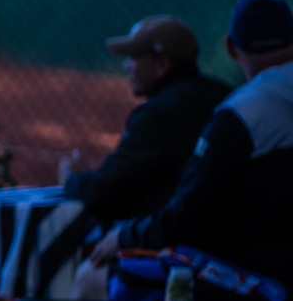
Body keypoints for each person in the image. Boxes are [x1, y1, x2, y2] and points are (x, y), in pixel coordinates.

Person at [54, 0, 293, 301]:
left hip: (258, 299)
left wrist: (123, 236)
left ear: (231, 47)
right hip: (273, 283)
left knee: (88, 279)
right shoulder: (228, 100)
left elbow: (183, 220)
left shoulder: (244, 113)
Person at [56, 15, 230, 222]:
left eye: (133, 57)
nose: (126, 66)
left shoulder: (157, 115)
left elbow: (104, 192)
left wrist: (71, 177)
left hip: (181, 232)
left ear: (162, 65)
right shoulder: (223, 94)